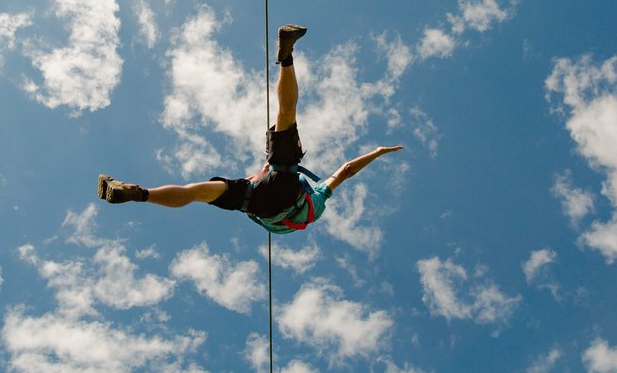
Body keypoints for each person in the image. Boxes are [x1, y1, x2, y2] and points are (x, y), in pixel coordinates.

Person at [97, 25, 403, 234]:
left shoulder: (315, 194)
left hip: (269, 187)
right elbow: (346, 171)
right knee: (198, 193)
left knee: (286, 115)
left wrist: (377, 151)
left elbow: (346, 169)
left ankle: (141, 194)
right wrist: (378, 153)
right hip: (252, 201)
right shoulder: (311, 204)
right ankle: (138, 195)